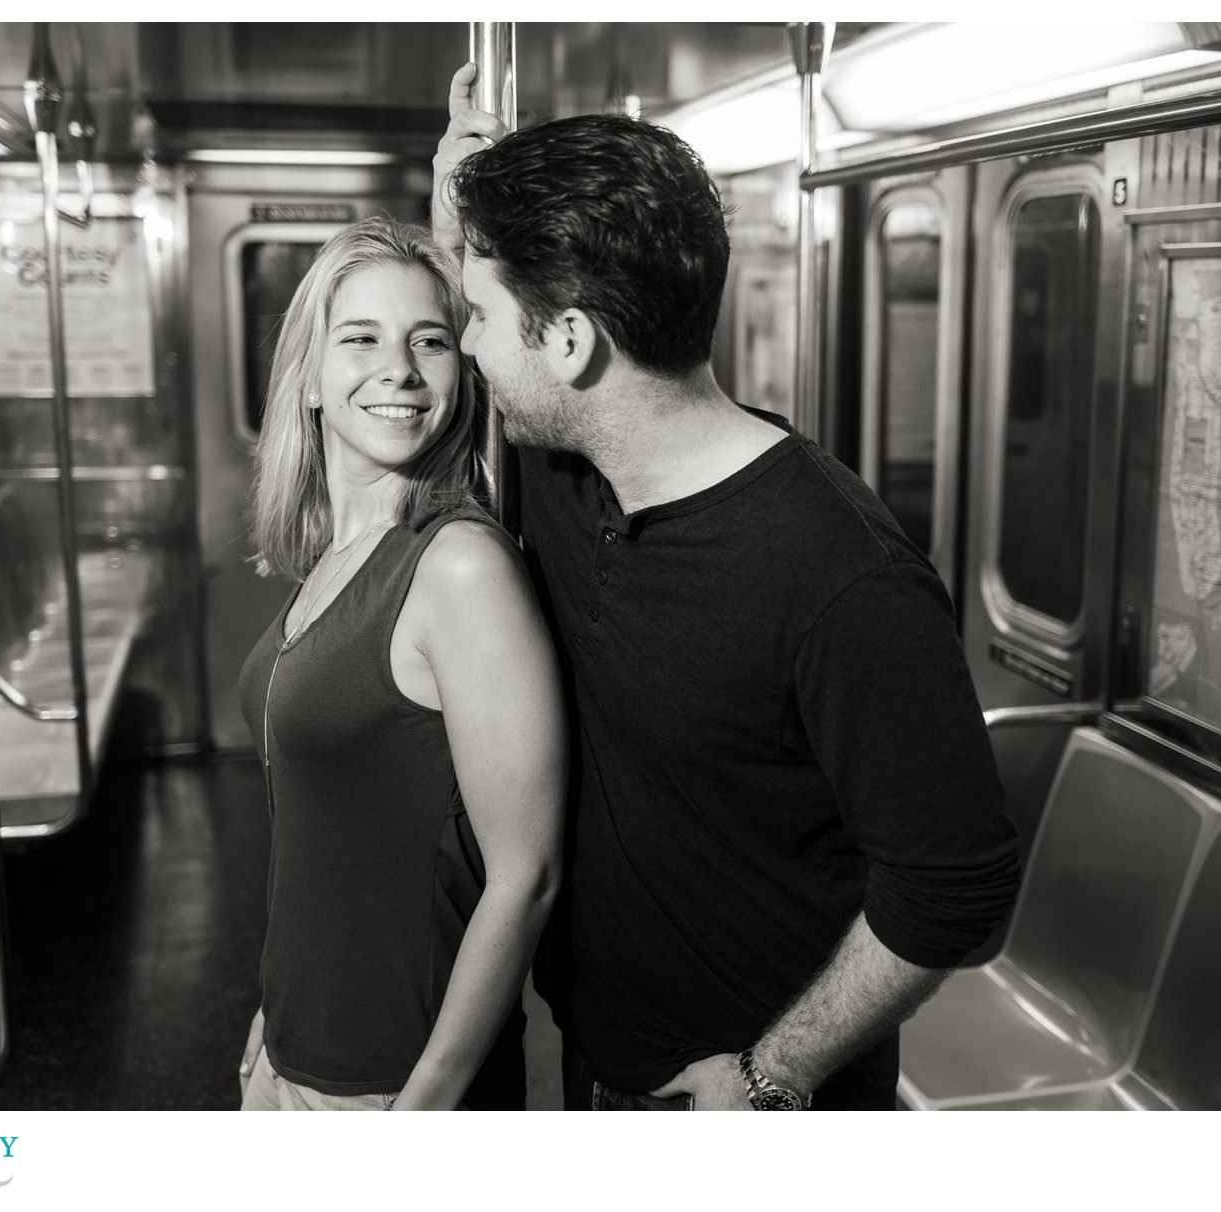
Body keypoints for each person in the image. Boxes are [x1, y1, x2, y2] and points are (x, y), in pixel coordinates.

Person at [433, 64, 1021, 1111]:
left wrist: (769, 1075)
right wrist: (459, 201)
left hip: (743, 1094)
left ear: (570, 343)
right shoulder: (574, 467)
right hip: (605, 1050)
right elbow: (508, 313)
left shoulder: (840, 577)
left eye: (476, 318)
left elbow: (955, 887)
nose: (465, 347)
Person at [234, 214, 566, 1110]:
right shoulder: (331, 559)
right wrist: (275, 1015)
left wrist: (425, 1104)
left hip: (392, 1084)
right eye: (361, 340)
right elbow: (322, 842)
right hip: (295, 1047)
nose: (401, 370)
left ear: (462, 375)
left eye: (431, 340)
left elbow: (525, 876)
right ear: (309, 377)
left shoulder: (457, 566)